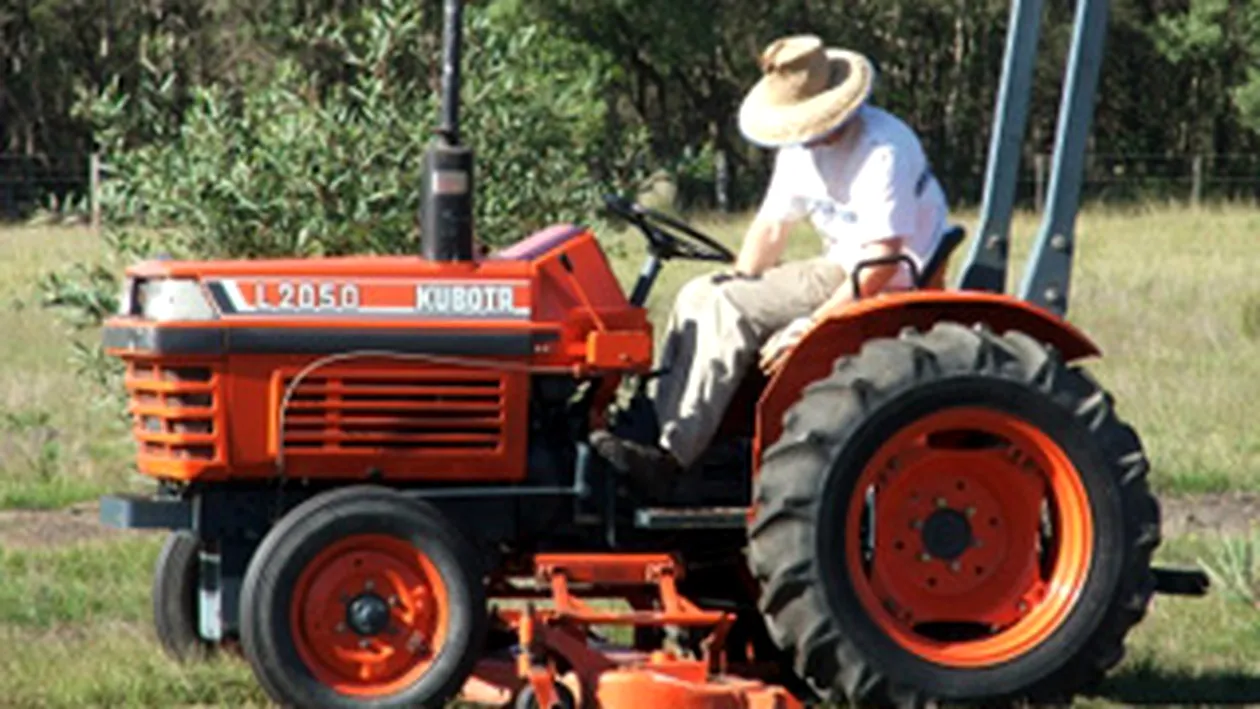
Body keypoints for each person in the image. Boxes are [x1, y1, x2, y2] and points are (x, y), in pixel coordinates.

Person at [591, 34, 949, 499]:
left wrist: (811, 325)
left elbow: (881, 260)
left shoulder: (884, 149)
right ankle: (650, 429)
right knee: (701, 293)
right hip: (843, 267)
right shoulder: (801, 150)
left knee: (731, 308)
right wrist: (737, 277)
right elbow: (770, 229)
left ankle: (672, 459)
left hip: (885, 281)